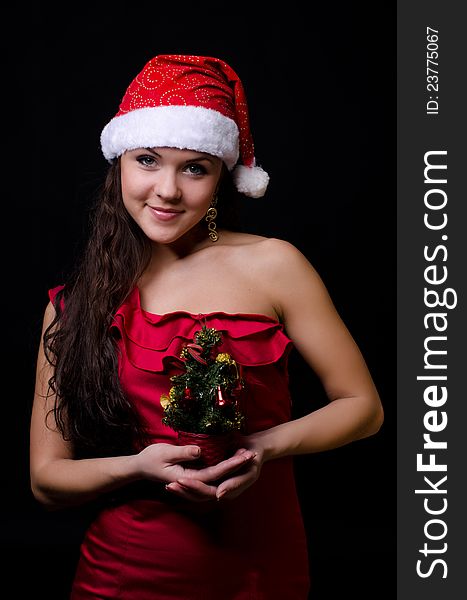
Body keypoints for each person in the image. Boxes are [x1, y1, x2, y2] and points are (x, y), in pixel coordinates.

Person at [30, 54, 384, 600]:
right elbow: (47, 481)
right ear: (119, 162)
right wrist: (138, 468)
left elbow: (363, 407)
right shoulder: (77, 302)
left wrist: (261, 448)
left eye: (194, 167)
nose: (167, 190)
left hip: (258, 570)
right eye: (148, 160)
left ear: (222, 177)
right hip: (123, 574)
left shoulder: (275, 265)